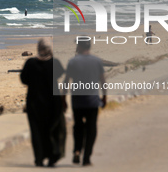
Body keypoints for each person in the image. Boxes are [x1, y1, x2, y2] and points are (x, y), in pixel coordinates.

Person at [20, 38, 66, 167]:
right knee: (53, 129)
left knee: (37, 131)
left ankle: (39, 159)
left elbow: (24, 79)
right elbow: (60, 74)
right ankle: (52, 156)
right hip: (53, 103)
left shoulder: (30, 63)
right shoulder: (55, 63)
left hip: (34, 103)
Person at [64, 39, 106, 166]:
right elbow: (102, 81)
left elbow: (66, 81)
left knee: (78, 126)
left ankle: (77, 150)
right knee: (91, 128)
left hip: (77, 100)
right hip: (92, 100)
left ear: (79, 46)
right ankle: (86, 158)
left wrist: (62, 98)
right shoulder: (97, 61)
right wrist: (105, 97)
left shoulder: (72, 61)